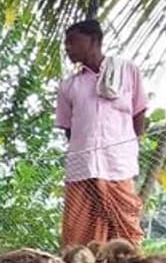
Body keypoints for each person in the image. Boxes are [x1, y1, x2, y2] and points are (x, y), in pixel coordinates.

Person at [54, 18, 148, 247]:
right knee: (77, 236)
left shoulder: (127, 72)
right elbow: (69, 128)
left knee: (125, 232)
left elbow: (139, 114)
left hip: (118, 166)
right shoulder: (69, 86)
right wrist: (85, 151)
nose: (67, 48)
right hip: (81, 169)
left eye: (73, 42)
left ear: (93, 40)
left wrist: (126, 146)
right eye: (66, 43)